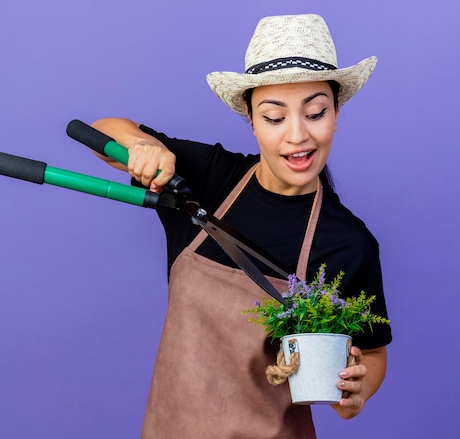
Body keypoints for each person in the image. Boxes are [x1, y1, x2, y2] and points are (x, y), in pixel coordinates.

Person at [92, 14, 392, 438]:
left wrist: (357, 389)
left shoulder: (348, 243)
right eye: (274, 117)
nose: (297, 136)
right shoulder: (207, 180)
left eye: (316, 112)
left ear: (337, 113)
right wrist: (143, 146)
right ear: (250, 118)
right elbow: (101, 131)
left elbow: (373, 353)